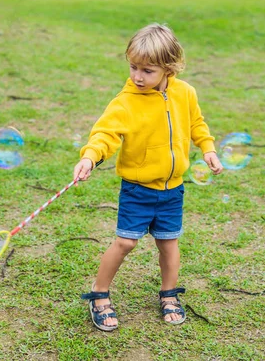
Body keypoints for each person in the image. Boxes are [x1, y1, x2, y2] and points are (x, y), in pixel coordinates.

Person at [73, 23, 222, 331]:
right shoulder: (126, 101)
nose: (138, 77)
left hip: (173, 190)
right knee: (125, 242)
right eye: (133, 67)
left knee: (169, 243)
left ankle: (169, 295)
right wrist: (90, 156)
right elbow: (105, 133)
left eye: (148, 70)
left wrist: (207, 149)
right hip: (138, 190)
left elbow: (197, 124)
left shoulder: (185, 93)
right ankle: (99, 294)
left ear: (170, 68)